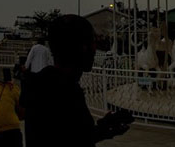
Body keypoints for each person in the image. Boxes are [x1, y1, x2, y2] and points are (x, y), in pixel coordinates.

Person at [22, 14, 132, 146]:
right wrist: (103, 129)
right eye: (92, 42)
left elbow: (73, 135)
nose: (95, 49)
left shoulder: (38, 84)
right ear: (82, 48)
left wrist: (104, 128)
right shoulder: (67, 91)